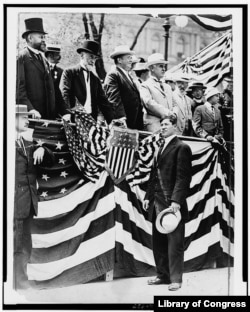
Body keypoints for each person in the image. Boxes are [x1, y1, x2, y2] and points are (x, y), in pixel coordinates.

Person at [143, 114, 192, 291]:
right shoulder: (159, 148)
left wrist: (176, 201)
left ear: (175, 127)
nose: (162, 127)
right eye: (161, 124)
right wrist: (148, 197)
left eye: (166, 124)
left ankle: (176, 280)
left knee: (175, 244)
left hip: (172, 205)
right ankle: (162, 276)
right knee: (159, 242)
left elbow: (183, 177)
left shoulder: (182, 147)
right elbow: (153, 176)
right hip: (157, 202)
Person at [14, 104, 54, 290]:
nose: (28, 120)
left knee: (25, 244)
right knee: (15, 244)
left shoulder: (29, 142)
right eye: (23, 117)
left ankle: (21, 280)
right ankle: (17, 283)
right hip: (13, 204)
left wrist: (43, 150)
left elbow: (51, 158)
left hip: (28, 203)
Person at [59, 40, 113, 124]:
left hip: (91, 120)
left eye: (95, 58)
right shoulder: (69, 72)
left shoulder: (95, 79)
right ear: (82, 56)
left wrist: (111, 121)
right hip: (73, 119)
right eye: (91, 57)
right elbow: (64, 94)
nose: (93, 61)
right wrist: (66, 113)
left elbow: (103, 102)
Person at [16, 18, 56, 119]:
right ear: (30, 38)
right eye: (41, 37)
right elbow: (19, 90)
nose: (44, 40)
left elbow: (52, 88)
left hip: (48, 117)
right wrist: (30, 109)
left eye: (44, 37)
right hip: (32, 118)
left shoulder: (44, 59)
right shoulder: (21, 57)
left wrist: (64, 111)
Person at [103, 45, 144, 130]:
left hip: (133, 123)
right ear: (119, 60)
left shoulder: (128, 75)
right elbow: (114, 100)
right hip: (123, 125)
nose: (131, 60)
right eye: (128, 58)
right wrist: (121, 120)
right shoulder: (113, 75)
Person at [140, 53, 176, 133]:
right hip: (154, 126)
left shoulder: (168, 87)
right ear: (152, 68)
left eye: (164, 66)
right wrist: (167, 113)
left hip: (168, 125)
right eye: (161, 66)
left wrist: (174, 114)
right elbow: (149, 103)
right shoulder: (145, 85)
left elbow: (174, 103)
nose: (164, 69)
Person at [45, 44, 67, 118]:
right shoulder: (41, 69)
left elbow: (60, 94)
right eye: (57, 55)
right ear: (50, 55)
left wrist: (65, 112)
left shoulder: (61, 72)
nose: (59, 57)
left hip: (55, 110)